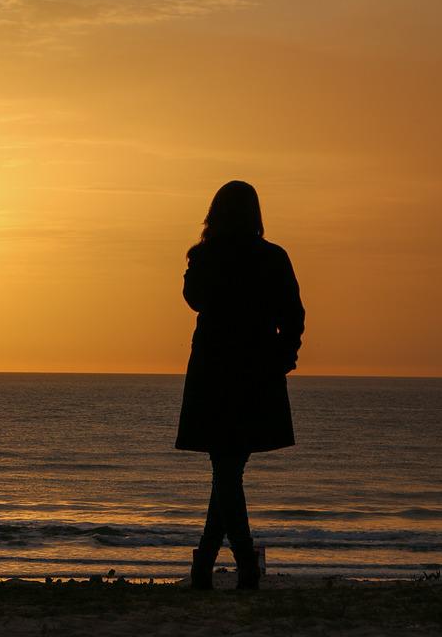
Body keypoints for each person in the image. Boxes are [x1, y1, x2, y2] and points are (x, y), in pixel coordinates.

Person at [176, 180, 305, 590]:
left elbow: (193, 298)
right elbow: (294, 315)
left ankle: (219, 563)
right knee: (229, 468)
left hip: (214, 373)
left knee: (226, 468)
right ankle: (233, 563)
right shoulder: (272, 257)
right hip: (255, 373)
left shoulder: (205, 256)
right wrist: (283, 357)